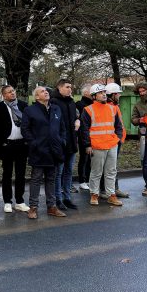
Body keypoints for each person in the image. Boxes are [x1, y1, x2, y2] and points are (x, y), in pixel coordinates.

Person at [21, 86, 67, 219]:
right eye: (42, 91)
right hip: (38, 151)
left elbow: (62, 127)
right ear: (36, 97)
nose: (46, 92)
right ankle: (33, 207)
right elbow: (25, 129)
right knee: (36, 179)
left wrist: (62, 141)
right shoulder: (30, 110)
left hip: (54, 151)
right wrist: (34, 143)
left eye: (47, 91)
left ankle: (51, 207)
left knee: (51, 179)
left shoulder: (56, 109)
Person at [80, 84, 124, 206]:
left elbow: (118, 126)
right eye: (100, 93)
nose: (104, 94)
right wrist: (87, 145)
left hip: (111, 144)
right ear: (94, 96)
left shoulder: (113, 108)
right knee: (96, 172)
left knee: (111, 171)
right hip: (97, 145)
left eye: (104, 92)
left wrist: (118, 139)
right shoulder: (88, 109)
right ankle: (94, 194)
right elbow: (84, 129)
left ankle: (111, 195)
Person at [0, 85, 29, 214]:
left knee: (20, 174)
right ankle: (7, 201)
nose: (12, 93)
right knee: (7, 174)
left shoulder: (23, 105)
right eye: (9, 92)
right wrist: (2, 142)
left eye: (13, 91)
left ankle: (20, 201)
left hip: (21, 145)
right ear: (3, 95)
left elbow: (29, 124)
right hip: (7, 145)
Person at [49, 79, 79, 211]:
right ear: (59, 87)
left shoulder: (72, 102)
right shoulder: (54, 102)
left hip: (72, 143)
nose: (70, 89)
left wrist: (78, 120)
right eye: (67, 87)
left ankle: (67, 198)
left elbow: (75, 117)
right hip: (60, 144)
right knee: (58, 173)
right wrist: (59, 142)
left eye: (70, 87)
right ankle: (58, 199)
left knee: (68, 172)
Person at [96, 83, 130, 199]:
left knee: (112, 167)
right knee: (107, 167)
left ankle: (113, 189)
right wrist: (118, 139)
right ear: (114, 94)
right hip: (110, 141)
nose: (119, 95)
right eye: (118, 93)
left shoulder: (114, 106)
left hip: (115, 141)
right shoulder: (109, 107)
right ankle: (105, 190)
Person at [76, 83, 93, 191]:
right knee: (84, 158)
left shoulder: (92, 104)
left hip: (92, 135)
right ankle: (82, 180)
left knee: (90, 159)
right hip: (83, 135)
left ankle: (87, 179)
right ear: (86, 93)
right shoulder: (80, 105)